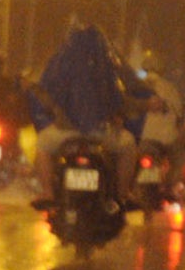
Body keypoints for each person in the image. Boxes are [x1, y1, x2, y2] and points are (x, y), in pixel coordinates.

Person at [29, 21, 138, 205]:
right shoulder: (105, 68)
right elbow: (117, 101)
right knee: (128, 145)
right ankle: (122, 194)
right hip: (100, 133)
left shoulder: (59, 66)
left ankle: (48, 192)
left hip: (64, 133)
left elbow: (45, 94)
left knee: (42, 145)